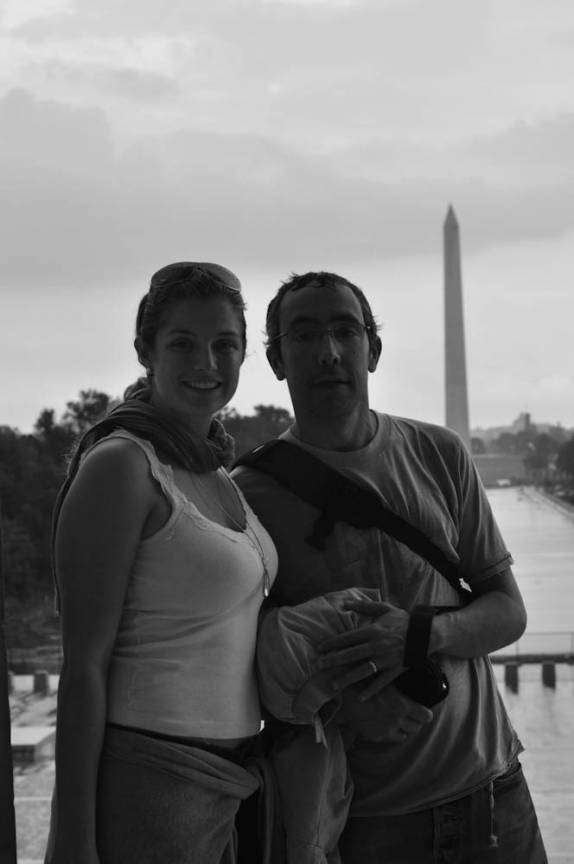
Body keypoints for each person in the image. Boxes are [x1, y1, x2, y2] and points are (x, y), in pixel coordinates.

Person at [232, 270, 547, 863]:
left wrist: (421, 634)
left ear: (372, 350)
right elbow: (243, 665)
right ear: (275, 360)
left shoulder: (441, 454)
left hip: (496, 793)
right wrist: (340, 703)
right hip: (369, 822)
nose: (328, 352)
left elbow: (508, 611)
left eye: (345, 330)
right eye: (304, 335)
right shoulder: (248, 496)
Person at [45, 262, 278, 864]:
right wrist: (72, 838)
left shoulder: (217, 473)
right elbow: (84, 665)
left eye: (225, 344)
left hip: (228, 781)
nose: (207, 363)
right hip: (151, 779)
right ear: (145, 350)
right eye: (183, 344)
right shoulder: (122, 467)